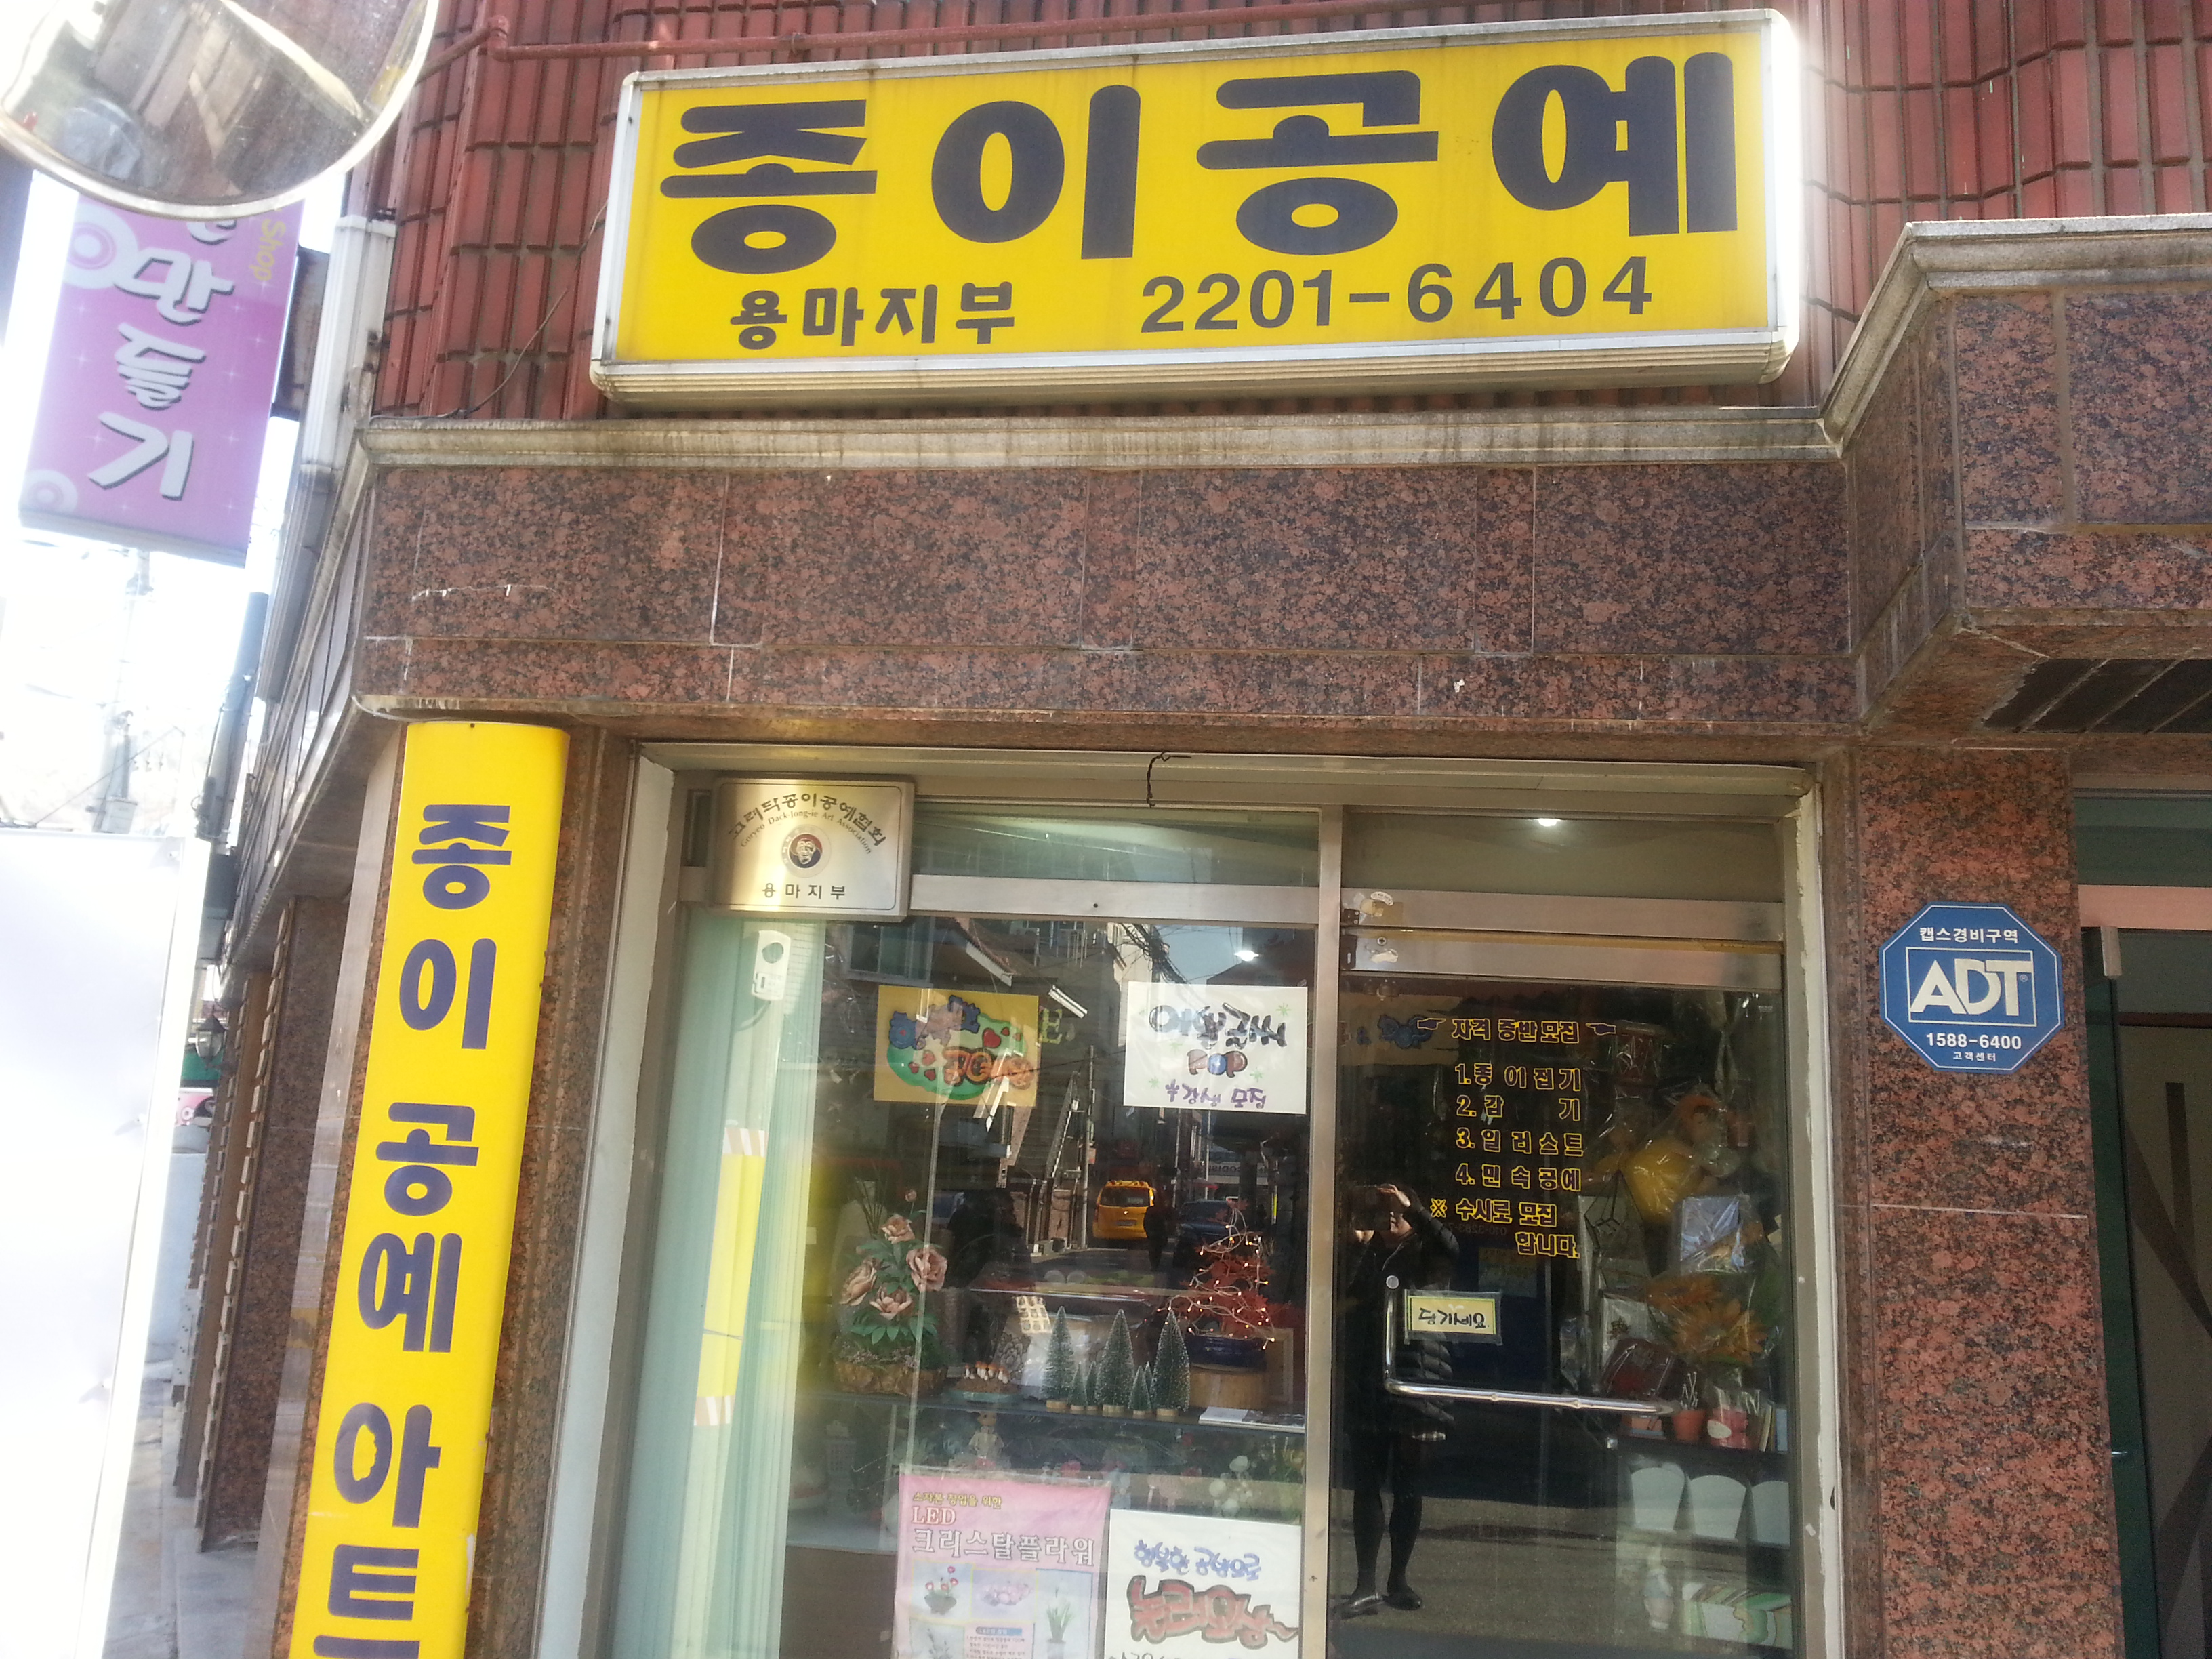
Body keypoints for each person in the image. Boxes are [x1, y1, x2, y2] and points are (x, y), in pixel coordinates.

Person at [1338, 1182, 1457, 1616]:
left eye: (1396, 1210)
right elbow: (1345, 1294)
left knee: (1409, 1486)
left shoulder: (1426, 1250)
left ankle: (1398, 1580)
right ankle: (1365, 1584)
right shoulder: (1366, 1250)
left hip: (1418, 1378)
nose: (1389, 1218)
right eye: (1381, 1209)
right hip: (1368, 1378)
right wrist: (1357, 1244)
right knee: (1366, 1483)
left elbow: (1451, 1248)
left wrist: (1417, 1211)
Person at [1143, 1191, 1175, 1273]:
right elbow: (1146, 1222)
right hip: (1155, 1233)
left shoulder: (1164, 1210)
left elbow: (1171, 1219)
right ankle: (1154, 1265)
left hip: (1159, 1233)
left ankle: (1155, 1265)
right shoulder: (1152, 1210)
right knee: (1155, 1249)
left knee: (1156, 1249)